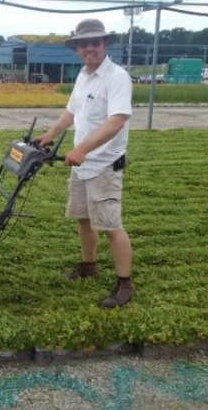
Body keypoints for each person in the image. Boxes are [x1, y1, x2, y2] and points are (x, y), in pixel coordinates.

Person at [33, 18, 134, 309]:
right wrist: (51, 134)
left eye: (95, 42)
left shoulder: (116, 77)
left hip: (103, 163)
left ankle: (125, 284)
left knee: (111, 225)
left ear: (104, 45)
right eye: (84, 43)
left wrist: (84, 149)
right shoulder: (83, 75)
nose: (89, 48)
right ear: (76, 48)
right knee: (83, 217)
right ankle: (88, 267)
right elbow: (72, 112)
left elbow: (117, 121)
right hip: (82, 163)